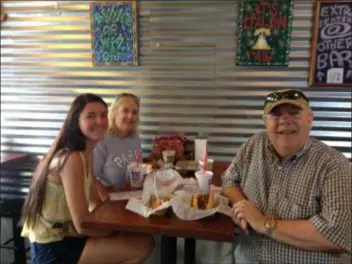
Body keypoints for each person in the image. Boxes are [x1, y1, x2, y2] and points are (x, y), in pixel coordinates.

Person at [21, 93, 154, 264]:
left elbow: (93, 201)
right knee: (142, 245)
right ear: (76, 120)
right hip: (54, 247)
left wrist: (114, 221)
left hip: (68, 236)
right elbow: (82, 225)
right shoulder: (72, 158)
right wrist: (113, 231)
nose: (99, 121)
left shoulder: (87, 153)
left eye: (103, 115)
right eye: (91, 116)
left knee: (141, 240)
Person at [222, 89, 351, 264]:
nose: (284, 120)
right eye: (276, 114)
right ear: (265, 122)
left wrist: (264, 223)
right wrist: (241, 206)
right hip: (248, 257)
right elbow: (229, 179)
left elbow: (338, 234)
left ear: (310, 119)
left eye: (294, 113)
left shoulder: (333, 165)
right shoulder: (253, 144)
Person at [93, 93, 141, 191]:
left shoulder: (135, 137)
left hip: (134, 197)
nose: (130, 116)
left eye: (135, 112)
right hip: (110, 200)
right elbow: (90, 180)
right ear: (114, 112)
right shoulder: (101, 141)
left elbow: (137, 166)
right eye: (125, 110)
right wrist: (107, 196)